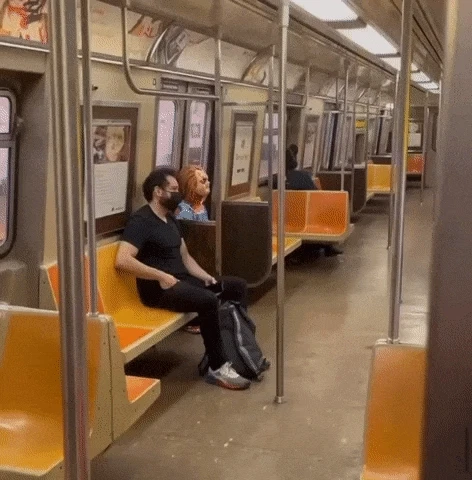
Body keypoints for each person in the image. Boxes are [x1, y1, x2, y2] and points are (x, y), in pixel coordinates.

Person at [115, 167, 252, 390]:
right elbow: (122, 260)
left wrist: (206, 276)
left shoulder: (170, 219)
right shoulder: (141, 221)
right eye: (174, 189)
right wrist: (159, 275)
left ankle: (239, 349)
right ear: (158, 192)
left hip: (181, 280)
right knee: (208, 301)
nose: (178, 194)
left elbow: (185, 257)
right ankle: (217, 367)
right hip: (158, 289)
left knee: (236, 286)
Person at [285, 144, 343, 258]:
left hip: (289, 215)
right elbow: (316, 195)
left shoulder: (278, 180)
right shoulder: (303, 175)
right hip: (307, 213)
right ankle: (328, 247)